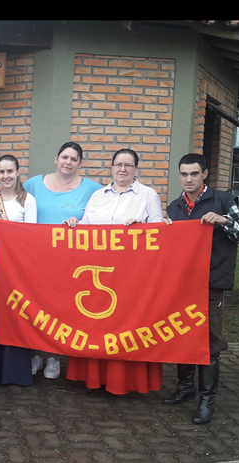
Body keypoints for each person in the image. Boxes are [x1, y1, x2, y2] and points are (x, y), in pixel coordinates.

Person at [63, 149, 164, 396]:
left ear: (136, 169)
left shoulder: (149, 196)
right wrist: (75, 224)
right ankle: (94, 378)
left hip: (131, 275)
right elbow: (86, 229)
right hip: (98, 274)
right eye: (118, 164)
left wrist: (141, 229)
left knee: (126, 324)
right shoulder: (98, 195)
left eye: (128, 166)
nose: (122, 169)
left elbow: (161, 234)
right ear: (111, 167)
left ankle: (126, 381)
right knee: (97, 325)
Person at [163, 153, 239, 424]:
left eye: (194, 174)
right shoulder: (175, 207)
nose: (188, 179)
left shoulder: (224, 200)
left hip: (212, 282)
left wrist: (224, 221)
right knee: (183, 334)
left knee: (209, 339)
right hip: (183, 283)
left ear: (205, 174)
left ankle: (207, 400)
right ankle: (186, 388)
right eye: (184, 174)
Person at [23, 141, 102, 379]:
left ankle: (55, 357)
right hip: (36, 260)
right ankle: (36, 354)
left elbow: (101, 219)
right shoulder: (33, 184)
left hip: (71, 262)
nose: (68, 162)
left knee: (61, 308)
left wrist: (81, 224)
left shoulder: (92, 189)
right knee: (37, 306)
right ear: (56, 158)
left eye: (74, 159)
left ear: (80, 163)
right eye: (65, 157)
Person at [0, 155, 37, 387]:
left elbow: (30, 237)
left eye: (10, 171)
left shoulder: (28, 200)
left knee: (15, 312)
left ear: (17, 172)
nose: (6, 176)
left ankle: (14, 371)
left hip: (16, 265)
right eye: (1, 172)